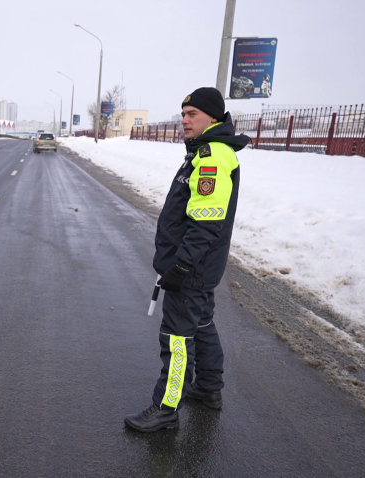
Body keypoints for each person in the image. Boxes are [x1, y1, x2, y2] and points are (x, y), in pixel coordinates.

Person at [125, 87, 250, 433]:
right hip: (199, 266)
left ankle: (165, 408)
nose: (184, 120)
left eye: (192, 114)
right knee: (201, 325)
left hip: (191, 268)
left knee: (177, 337)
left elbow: (205, 222)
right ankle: (209, 388)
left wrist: (180, 266)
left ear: (212, 117)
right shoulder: (203, 153)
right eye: (183, 114)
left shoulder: (211, 155)